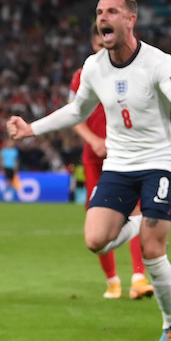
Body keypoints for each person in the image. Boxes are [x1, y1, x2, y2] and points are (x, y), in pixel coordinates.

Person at [7, 0, 171, 341]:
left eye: (111, 12)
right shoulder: (94, 67)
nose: (102, 17)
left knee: (153, 250)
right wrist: (32, 128)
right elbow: (77, 111)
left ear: (130, 20)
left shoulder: (157, 62)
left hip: (160, 162)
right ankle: (144, 218)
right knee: (95, 240)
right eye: (99, 12)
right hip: (119, 165)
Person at [69, 30, 148, 299]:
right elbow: (73, 115)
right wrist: (92, 140)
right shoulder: (83, 76)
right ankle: (112, 280)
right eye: (101, 42)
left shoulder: (132, 72)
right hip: (94, 157)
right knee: (98, 219)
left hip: (125, 154)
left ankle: (139, 278)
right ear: (94, 44)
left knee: (136, 210)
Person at [0, 137, 22, 201]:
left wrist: (16, 168)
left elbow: (16, 160)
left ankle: (8, 196)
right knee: (9, 182)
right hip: (6, 167)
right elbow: (1, 160)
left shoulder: (15, 151)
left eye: (12, 142)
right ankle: (8, 196)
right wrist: (1, 168)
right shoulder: (4, 150)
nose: (11, 144)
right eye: (9, 142)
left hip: (12, 168)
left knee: (11, 182)